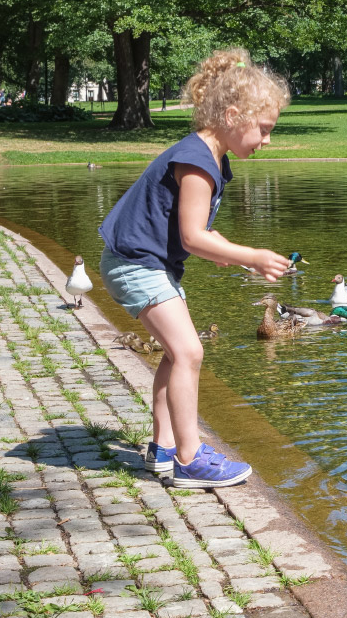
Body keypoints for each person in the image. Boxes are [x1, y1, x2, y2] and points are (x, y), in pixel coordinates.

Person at [97, 48, 290, 488]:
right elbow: (192, 239)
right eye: (263, 130)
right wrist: (251, 255)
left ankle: (163, 447)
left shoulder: (211, 159)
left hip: (145, 263)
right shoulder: (198, 159)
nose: (266, 140)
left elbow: (201, 233)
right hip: (135, 263)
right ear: (232, 115)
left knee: (175, 353)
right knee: (190, 352)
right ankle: (189, 457)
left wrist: (231, 252)